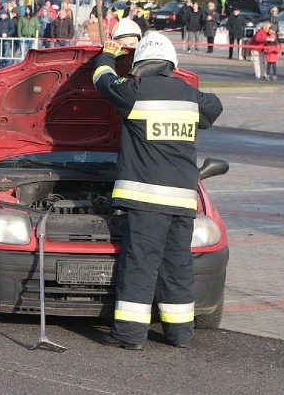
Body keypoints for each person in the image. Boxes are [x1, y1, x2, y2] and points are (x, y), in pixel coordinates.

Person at [93, 31, 223, 350]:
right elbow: (214, 106)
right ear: (171, 64)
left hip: (147, 199)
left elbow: (103, 80)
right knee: (178, 264)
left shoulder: (134, 91)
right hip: (181, 199)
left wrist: (107, 54)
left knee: (141, 264)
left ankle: (129, 335)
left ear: (139, 65)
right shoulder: (191, 95)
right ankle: (180, 334)